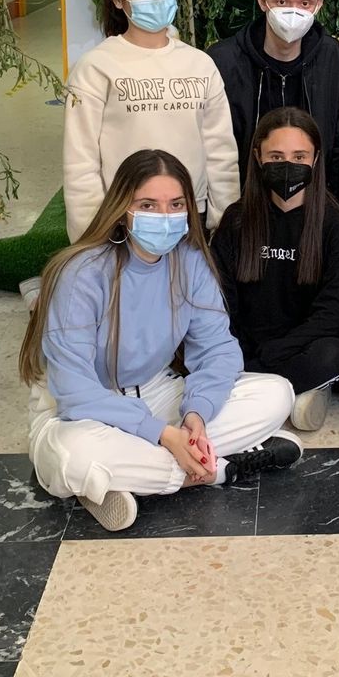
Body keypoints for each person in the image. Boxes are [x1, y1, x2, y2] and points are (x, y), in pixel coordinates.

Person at [20, 149, 303, 534]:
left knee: (277, 393)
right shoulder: (81, 272)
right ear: (122, 208)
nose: (165, 216)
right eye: (148, 205)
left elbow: (218, 350)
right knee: (74, 456)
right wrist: (163, 434)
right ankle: (215, 469)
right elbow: (73, 390)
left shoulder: (190, 262)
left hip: (155, 393)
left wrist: (195, 416)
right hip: (79, 410)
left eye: (176, 205)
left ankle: (121, 479)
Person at [63, 0, 238, 239]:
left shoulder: (200, 64)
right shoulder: (95, 67)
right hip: (125, 219)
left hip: (189, 215)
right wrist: (91, 238)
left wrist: (225, 223)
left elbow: (220, 152)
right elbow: (81, 162)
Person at [211, 108, 339, 433]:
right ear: (258, 158)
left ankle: (254, 389)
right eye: (276, 156)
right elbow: (221, 300)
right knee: (209, 350)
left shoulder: (335, 225)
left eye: (299, 156)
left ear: (315, 159)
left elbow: (331, 315)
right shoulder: (236, 220)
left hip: (302, 346)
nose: (287, 165)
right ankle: (294, 393)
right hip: (246, 344)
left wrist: (271, 354)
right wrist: (240, 349)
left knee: (332, 354)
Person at [208, 0, 339, 188]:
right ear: (262, 0)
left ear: (319, 5)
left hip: (314, 197)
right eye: (281, 1)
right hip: (244, 198)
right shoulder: (223, 61)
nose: (293, 12)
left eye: (305, 2)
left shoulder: (333, 58)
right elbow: (213, 146)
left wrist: (328, 202)